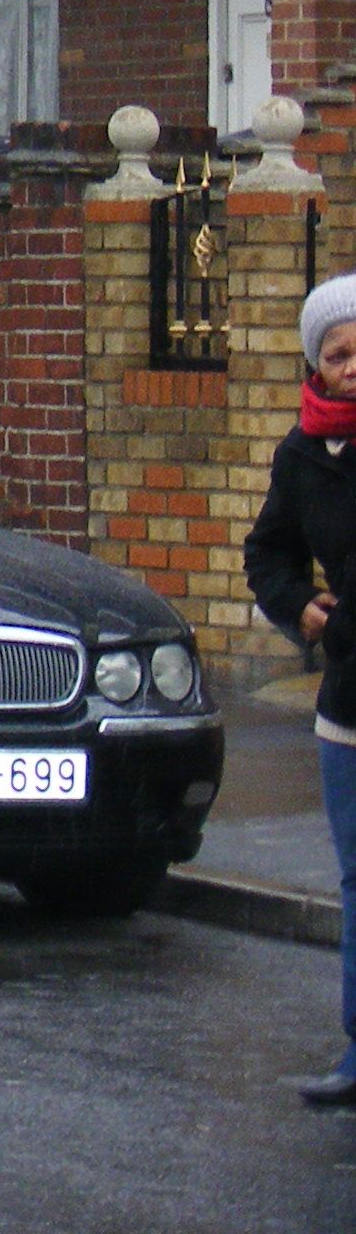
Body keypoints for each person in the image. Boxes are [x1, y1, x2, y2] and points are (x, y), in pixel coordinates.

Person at [254, 270, 356, 1106]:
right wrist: (302, 611)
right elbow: (269, 553)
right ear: (316, 366)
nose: (354, 364)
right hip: (348, 706)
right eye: (339, 351)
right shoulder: (302, 455)